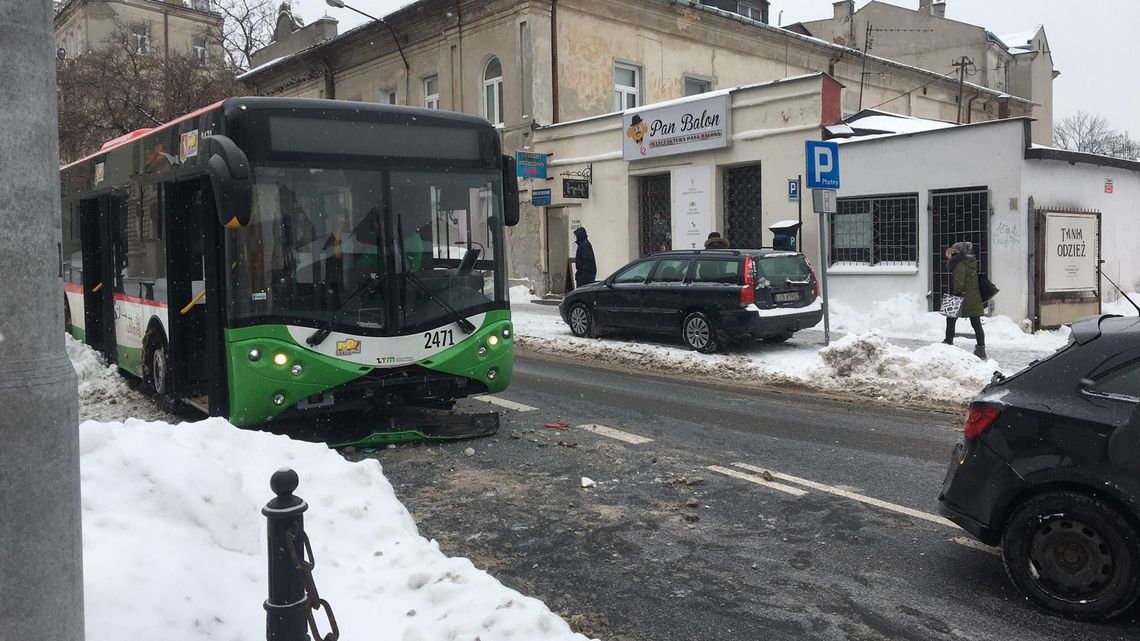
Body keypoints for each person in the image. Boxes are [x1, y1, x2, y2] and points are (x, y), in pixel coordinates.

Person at [943, 241, 986, 359]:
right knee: (976, 324)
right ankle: (981, 349)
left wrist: (954, 295)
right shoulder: (972, 262)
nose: (951, 255)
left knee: (950, 319)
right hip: (974, 297)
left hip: (963, 296)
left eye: (954, 252)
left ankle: (948, 341)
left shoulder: (960, 264)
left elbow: (959, 283)